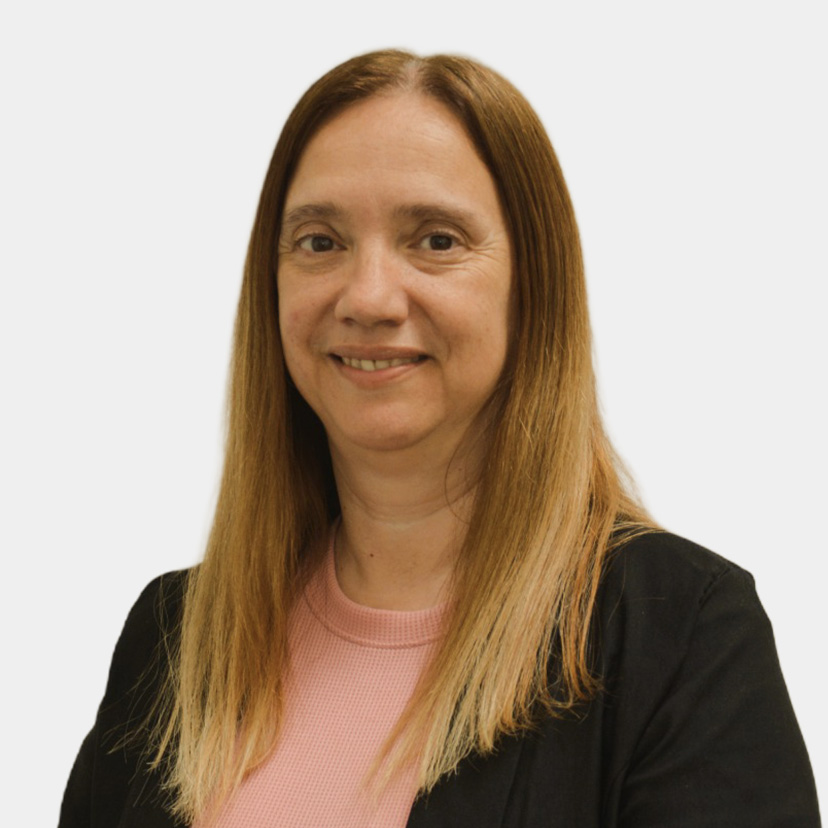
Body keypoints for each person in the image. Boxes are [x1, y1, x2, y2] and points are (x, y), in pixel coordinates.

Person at [59, 49, 821, 828]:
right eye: (320, 241)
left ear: (533, 285)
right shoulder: (173, 639)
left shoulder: (679, 632)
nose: (368, 298)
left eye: (436, 240)